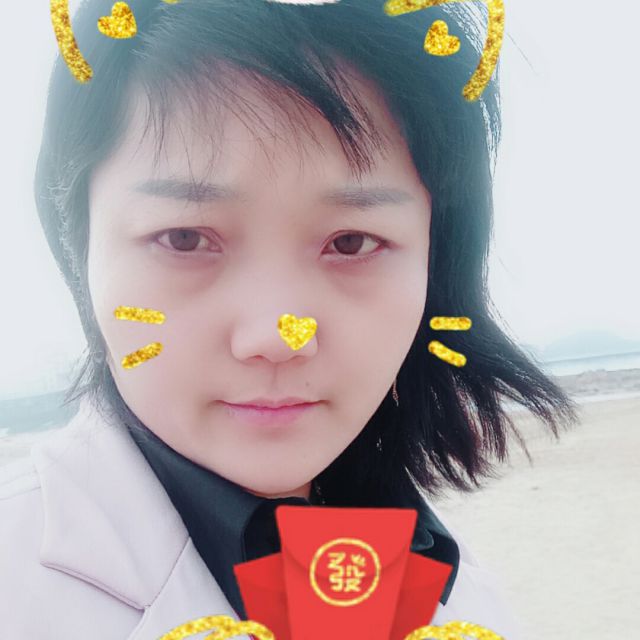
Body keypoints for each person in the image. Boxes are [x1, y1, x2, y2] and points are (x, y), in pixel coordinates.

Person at [0, 0, 578, 637]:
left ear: (437, 263)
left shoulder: (461, 589)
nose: (276, 337)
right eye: (185, 238)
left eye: (352, 243)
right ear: (78, 246)